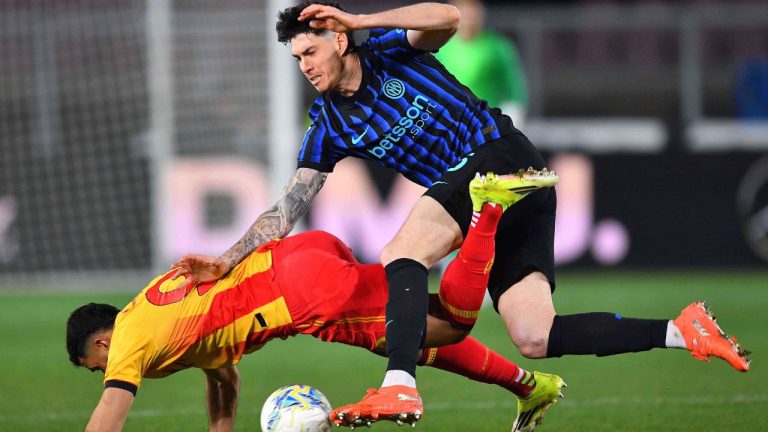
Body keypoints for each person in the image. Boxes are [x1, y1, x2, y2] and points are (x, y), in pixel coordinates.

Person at [173, 1, 751, 428]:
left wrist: (362, 19)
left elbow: (447, 16)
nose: (304, 64)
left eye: (311, 50)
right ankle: (681, 331)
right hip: (505, 191)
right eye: (297, 57)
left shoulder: (388, 49)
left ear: (339, 39)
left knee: (402, 252)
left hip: (501, 156)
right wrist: (227, 260)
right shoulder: (327, 126)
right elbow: (286, 208)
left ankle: (399, 384)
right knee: (534, 336)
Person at [66, 183, 565, 432]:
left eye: (97, 367)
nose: (105, 373)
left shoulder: (128, 342)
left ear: (104, 343)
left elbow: (110, 411)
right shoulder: (150, 313)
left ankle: (488, 214)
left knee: (449, 326)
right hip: (300, 254)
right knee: (406, 334)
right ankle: (528, 386)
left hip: (300, 296)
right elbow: (224, 379)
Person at [435, 0, 528, 127]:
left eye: (473, 12)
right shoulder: (440, 48)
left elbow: (513, 85)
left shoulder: (497, 46)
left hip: (488, 123)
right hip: (452, 123)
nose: (469, 19)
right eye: (464, 13)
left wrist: (514, 114)